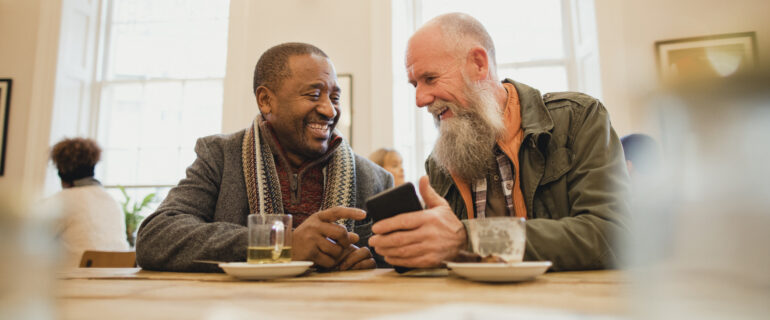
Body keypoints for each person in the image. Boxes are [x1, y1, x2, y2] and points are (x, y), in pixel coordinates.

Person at [368, 13, 630, 271]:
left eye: (430, 78)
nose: (420, 99)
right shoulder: (440, 162)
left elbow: (612, 234)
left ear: (479, 64)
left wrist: (469, 239)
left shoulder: (578, 118)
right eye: (414, 84)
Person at [136, 43, 393, 272]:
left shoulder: (375, 179)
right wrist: (280, 244)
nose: (329, 109)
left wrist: (369, 264)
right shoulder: (220, 156)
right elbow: (155, 238)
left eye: (334, 97)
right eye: (314, 95)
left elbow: (393, 262)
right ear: (266, 100)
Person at [47, 137, 129, 267]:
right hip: (116, 279)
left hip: (75, 281)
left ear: (61, 171)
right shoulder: (112, 201)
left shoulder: (60, 201)